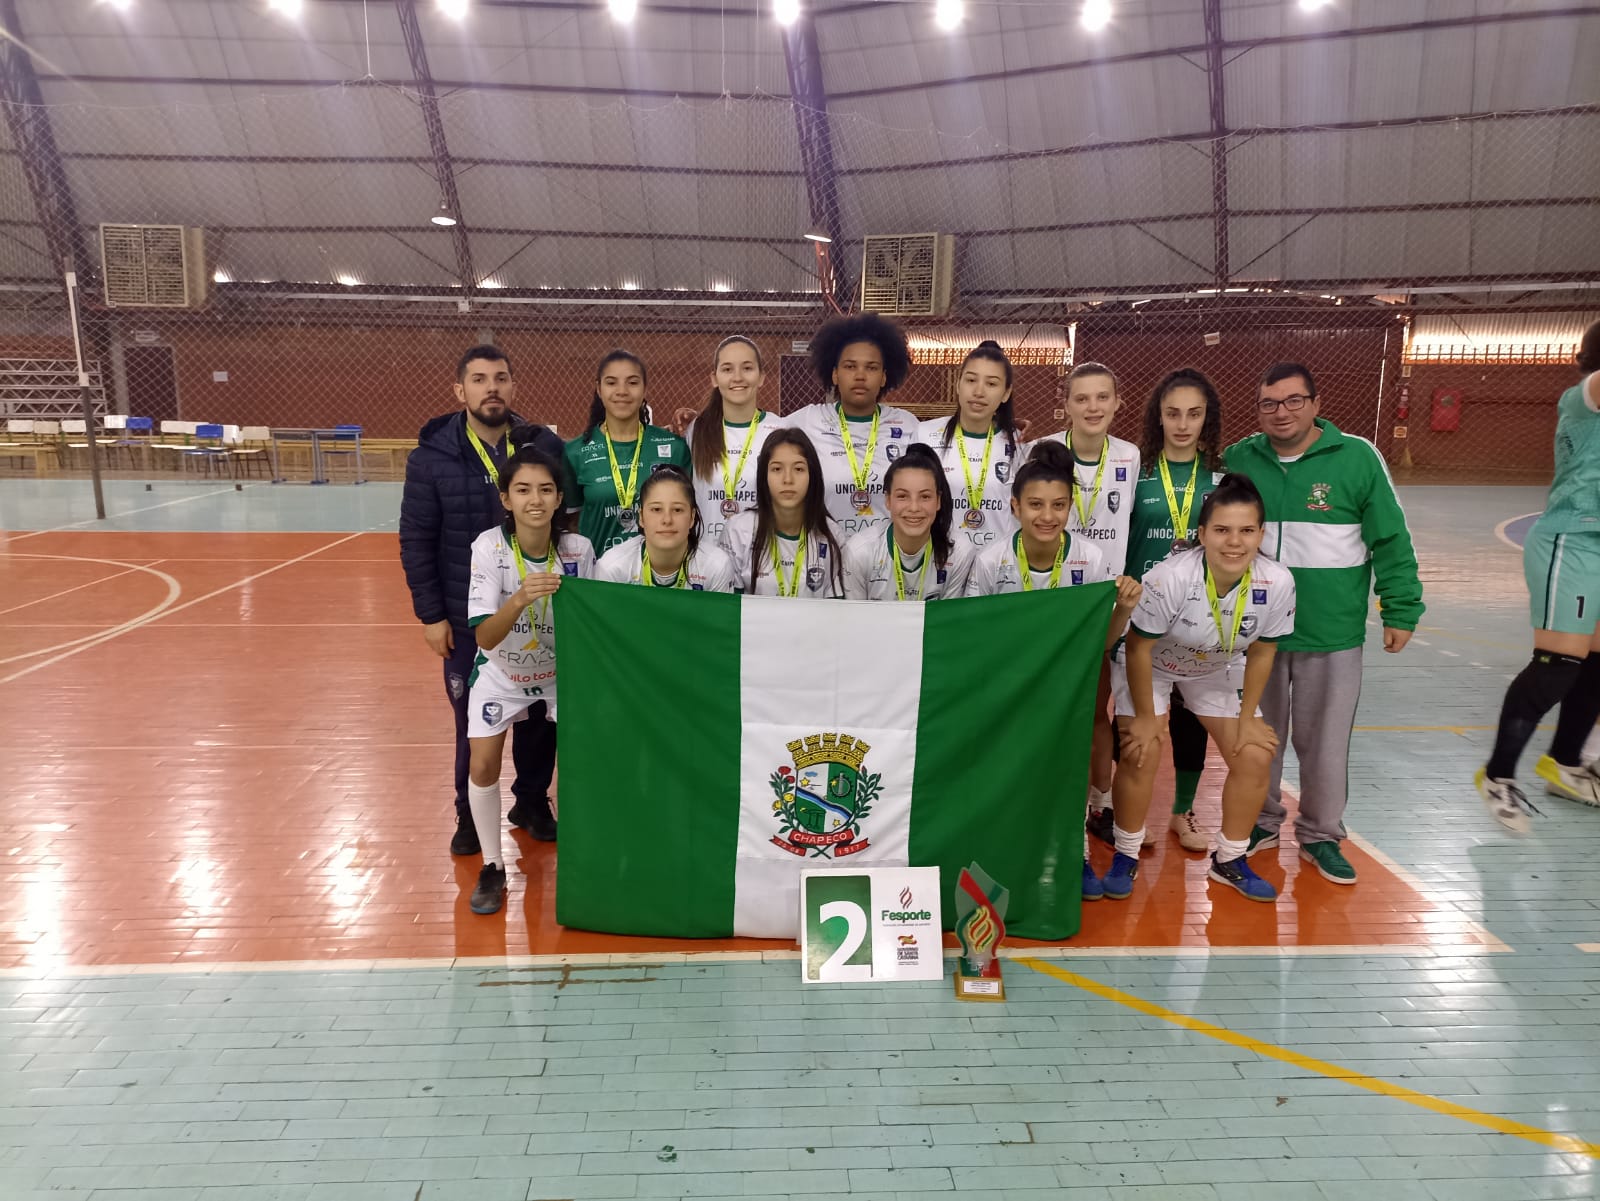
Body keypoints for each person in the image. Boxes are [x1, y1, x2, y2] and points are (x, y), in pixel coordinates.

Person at [1225, 362, 1423, 885]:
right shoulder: (1240, 459)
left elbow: (1391, 539)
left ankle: (1320, 835)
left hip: (1331, 632)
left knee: (1325, 744)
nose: (1281, 412)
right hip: (1255, 633)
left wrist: (1400, 608)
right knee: (1255, 737)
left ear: (1315, 404)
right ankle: (1260, 822)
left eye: (1293, 401)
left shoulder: (1356, 458)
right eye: (1269, 403)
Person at [400, 345, 566, 855]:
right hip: (469, 616)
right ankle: (470, 817)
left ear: (513, 387)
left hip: (538, 613)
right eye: (478, 379)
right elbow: (416, 538)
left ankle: (532, 800)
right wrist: (431, 614)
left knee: (540, 721)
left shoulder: (538, 448)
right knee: (474, 722)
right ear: (460, 391)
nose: (490, 387)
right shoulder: (432, 459)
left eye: (500, 378)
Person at [965, 439, 1142, 902]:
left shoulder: (1091, 559)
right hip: (1007, 688)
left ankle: (1075, 853)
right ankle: (1004, 850)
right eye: (1036, 505)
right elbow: (977, 641)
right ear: (1015, 507)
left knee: (1067, 770)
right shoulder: (990, 561)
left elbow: (1100, 642)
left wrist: (1121, 611)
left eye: (1059, 505)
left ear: (1070, 508)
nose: (1048, 516)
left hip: (1065, 688)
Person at [1109, 475, 1296, 903]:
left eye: (1247, 531)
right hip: (1152, 665)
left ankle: (1230, 859)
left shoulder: (1277, 582)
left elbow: (1265, 652)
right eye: (1222, 530)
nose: (1234, 542)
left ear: (1261, 534)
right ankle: (1126, 853)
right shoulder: (1171, 577)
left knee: (1254, 755)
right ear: (1203, 534)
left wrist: (1248, 720)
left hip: (1215, 666)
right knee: (1143, 749)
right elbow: (1137, 648)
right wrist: (1143, 717)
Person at [463, 446, 596, 915]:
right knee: (482, 765)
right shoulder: (488, 547)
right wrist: (518, 598)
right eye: (522, 490)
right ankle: (492, 866)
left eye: (545, 490)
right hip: (502, 672)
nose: (534, 500)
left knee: (580, 766)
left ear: (560, 498)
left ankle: (585, 861)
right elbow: (483, 635)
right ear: (506, 499)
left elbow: (594, 624)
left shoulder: (578, 551)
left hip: (562, 673)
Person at [1478, 322, 1600, 829]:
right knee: (1557, 665)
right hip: (1571, 540)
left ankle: (1565, 763)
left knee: (1597, 662)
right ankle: (1498, 775)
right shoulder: (1584, 396)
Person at [1030, 362, 1141, 833]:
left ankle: (1100, 801)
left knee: (1099, 710)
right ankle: (1052, 798)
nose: (1092, 407)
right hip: (1056, 599)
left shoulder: (1130, 456)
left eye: (1102, 397)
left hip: (1105, 600)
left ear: (1118, 402)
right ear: (1067, 405)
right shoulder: (1043, 451)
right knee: (1061, 709)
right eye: (1082, 398)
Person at [1123, 367, 1226, 854]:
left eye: (1194, 414)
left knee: (1188, 718)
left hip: (1197, 621)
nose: (1183, 424)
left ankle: (1182, 810)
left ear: (1207, 419)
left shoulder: (1222, 480)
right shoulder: (1134, 474)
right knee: (1132, 720)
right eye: (1172, 414)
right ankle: (1123, 816)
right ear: (1157, 418)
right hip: (1140, 617)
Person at [787, 314, 920, 538]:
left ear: (884, 377)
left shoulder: (908, 426)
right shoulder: (807, 421)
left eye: (871, 367)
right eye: (850, 366)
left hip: (885, 558)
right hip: (824, 551)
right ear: (835, 374)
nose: (860, 376)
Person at [563, 350, 690, 556]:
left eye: (632, 382)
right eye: (611, 383)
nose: (622, 391)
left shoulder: (674, 448)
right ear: (599, 389)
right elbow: (572, 524)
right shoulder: (575, 452)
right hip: (599, 577)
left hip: (657, 573)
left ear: (644, 389)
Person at [917, 340, 1024, 548]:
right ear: (958, 385)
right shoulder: (925, 435)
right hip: (940, 560)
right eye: (971, 380)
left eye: (991, 384)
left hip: (997, 565)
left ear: (1006, 393)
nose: (979, 392)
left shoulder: (1020, 444)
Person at [685, 336, 787, 547]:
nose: (737, 377)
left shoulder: (779, 430)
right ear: (714, 378)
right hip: (706, 561)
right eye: (728, 369)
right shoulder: (696, 430)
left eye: (747, 368)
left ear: (761, 377)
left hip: (762, 558)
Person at [842, 443, 976, 601]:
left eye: (925, 497)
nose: (914, 507)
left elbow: (948, 623)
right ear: (888, 500)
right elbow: (856, 622)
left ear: (938, 501)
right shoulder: (859, 552)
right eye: (902, 496)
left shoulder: (959, 552)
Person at [720, 428, 845, 597]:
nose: (788, 479)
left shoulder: (830, 535)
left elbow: (836, 613)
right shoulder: (738, 531)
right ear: (764, 475)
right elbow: (729, 609)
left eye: (798, 469)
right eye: (777, 469)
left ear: (812, 475)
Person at [593, 465, 739, 591]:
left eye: (677, 510)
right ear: (641, 518)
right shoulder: (612, 568)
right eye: (656, 509)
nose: (667, 520)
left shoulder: (716, 566)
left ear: (692, 517)